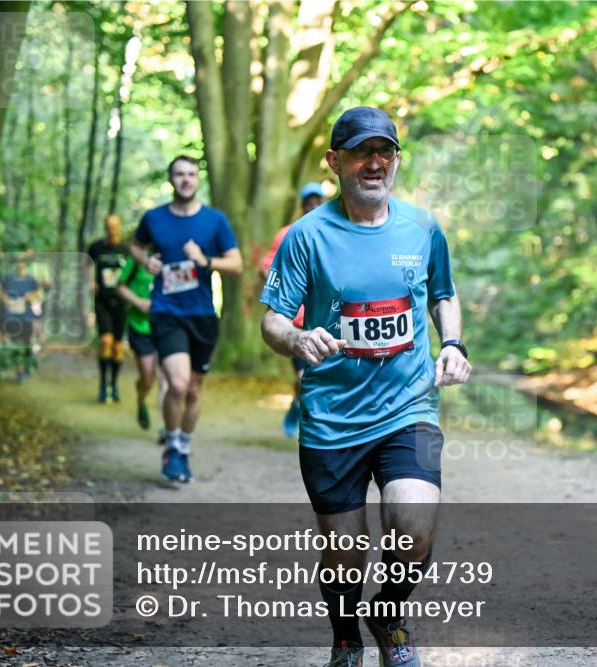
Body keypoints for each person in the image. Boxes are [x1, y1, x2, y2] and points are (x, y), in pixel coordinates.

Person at [260, 107, 471, 667]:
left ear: (397, 159)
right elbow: (272, 321)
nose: (375, 163)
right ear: (335, 162)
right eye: (361, 152)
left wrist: (452, 344)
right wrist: (297, 337)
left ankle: (389, 615)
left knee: (414, 530)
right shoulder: (307, 236)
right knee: (344, 553)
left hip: (409, 407)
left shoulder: (422, 228)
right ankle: (346, 637)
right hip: (333, 417)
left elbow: (442, 294)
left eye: (385, 152)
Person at [130, 155, 243, 483]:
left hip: (202, 315)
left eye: (191, 174)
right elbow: (135, 246)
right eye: (179, 174)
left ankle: (184, 448)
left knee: (193, 390)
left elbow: (236, 264)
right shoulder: (154, 218)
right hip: (166, 311)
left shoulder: (215, 221)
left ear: (197, 179)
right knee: (177, 384)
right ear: (171, 180)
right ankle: (172, 447)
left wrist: (205, 260)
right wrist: (146, 261)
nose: (185, 179)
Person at [258, 181, 326, 438]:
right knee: (303, 375)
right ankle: (298, 408)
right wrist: (287, 284)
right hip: (297, 320)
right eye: (309, 201)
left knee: (320, 376)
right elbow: (266, 266)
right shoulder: (288, 233)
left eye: (318, 201)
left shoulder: (335, 232)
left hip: (327, 319)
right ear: (302, 205)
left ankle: (307, 411)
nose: (313, 205)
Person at [116, 253, 167, 434]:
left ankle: (167, 428)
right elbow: (120, 287)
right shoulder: (138, 259)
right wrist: (138, 302)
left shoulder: (172, 254)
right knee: (147, 377)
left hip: (166, 325)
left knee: (165, 378)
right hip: (139, 326)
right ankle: (141, 399)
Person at [87, 215, 130, 403]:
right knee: (106, 341)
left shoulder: (126, 250)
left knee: (118, 347)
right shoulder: (96, 248)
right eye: (109, 226)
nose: (112, 230)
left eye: (115, 226)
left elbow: (134, 272)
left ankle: (114, 384)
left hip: (121, 302)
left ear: (120, 227)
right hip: (102, 301)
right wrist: (91, 282)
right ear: (105, 227)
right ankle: (103, 385)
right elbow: (86, 267)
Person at [0, 258, 40, 383]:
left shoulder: (31, 280)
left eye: (22, 262)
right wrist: (8, 302)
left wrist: (28, 298)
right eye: (18, 262)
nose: (20, 265)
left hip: (26, 317)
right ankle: (19, 371)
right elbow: (2, 294)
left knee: (26, 342)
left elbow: (36, 296)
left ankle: (26, 364)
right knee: (16, 341)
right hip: (11, 316)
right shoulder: (8, 279)